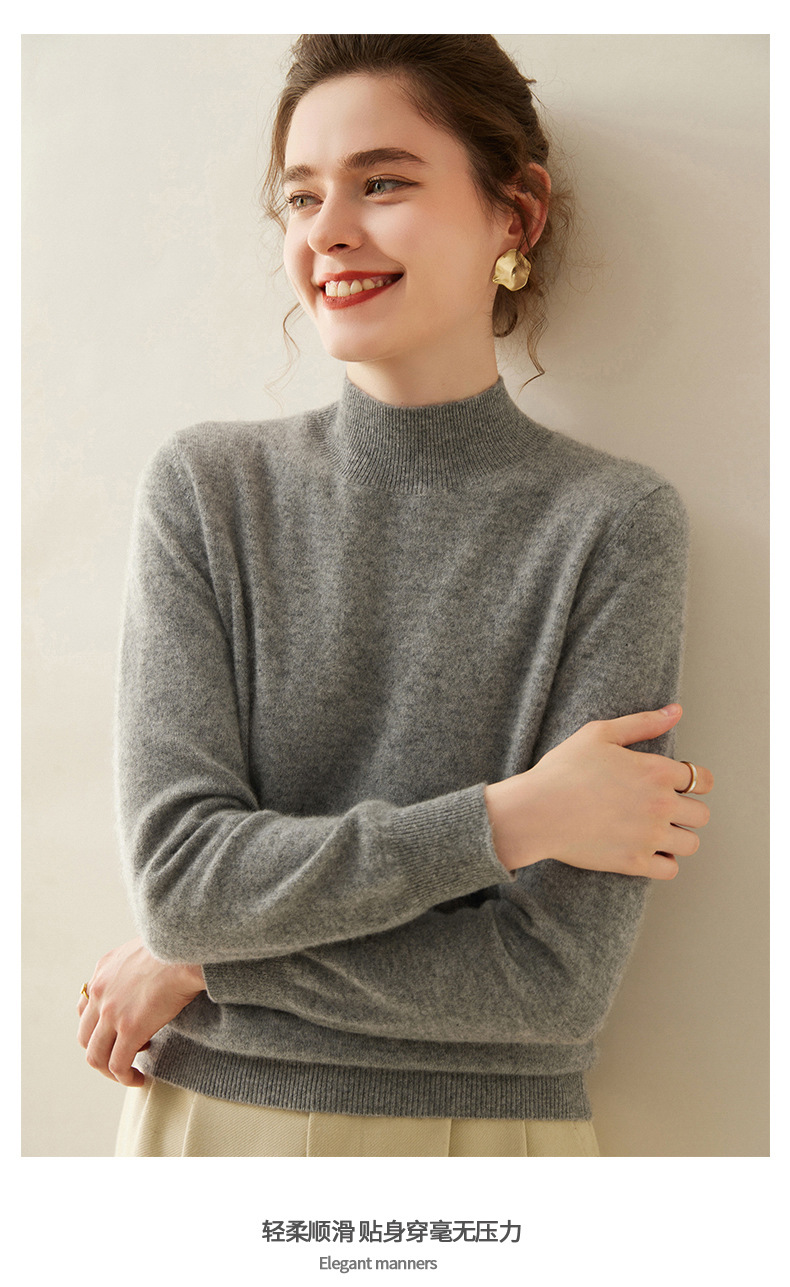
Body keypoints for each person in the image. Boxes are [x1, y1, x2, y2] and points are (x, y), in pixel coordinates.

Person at [77, 34, 712, 1158]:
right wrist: (510, 818)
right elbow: (180, 885)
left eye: (382, 182)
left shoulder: (613, 525)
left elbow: (550, 984)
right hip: (212, 1135)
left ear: (514, 215)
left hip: (494, 1152)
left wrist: (210, 964)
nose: (327, 230)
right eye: (302, 195)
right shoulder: (208, 490)